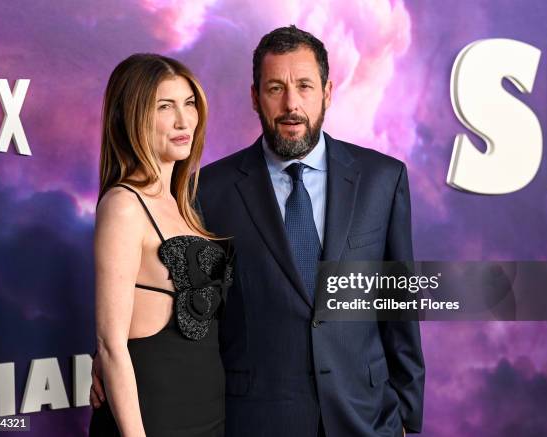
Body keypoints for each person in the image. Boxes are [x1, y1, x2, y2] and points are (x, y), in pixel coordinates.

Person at [92, 26, 424, 436]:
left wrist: (408, 414)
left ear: (327, 91)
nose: (291, 104)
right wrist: (109, 354)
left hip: (367, 417)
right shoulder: (204, 191)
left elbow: (399, 305)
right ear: (254, 97)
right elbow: (171, 288)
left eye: (304, 86)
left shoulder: (383, 179)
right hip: (255, 419)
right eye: (274, 88)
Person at [89, 53, 233, 437]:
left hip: (208, 412)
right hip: (155, 418)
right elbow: (110, 343)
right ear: (132, 116)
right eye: (165, 107)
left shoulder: (183, 203)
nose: (184, 121)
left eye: (189, 104)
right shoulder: (123, 205)